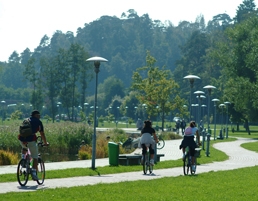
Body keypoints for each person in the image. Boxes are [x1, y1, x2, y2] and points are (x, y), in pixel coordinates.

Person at [18, 110, 49, 181]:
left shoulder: (26, 120)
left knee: (24, 148)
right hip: (31, 140)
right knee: (35, 157)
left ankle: (23, 160)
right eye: (39, 115)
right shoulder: (38, 122)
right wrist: (45, 142)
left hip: (21, 139)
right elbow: (42, 134)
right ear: (36, 115)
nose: (40, 116)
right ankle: (34, 173)